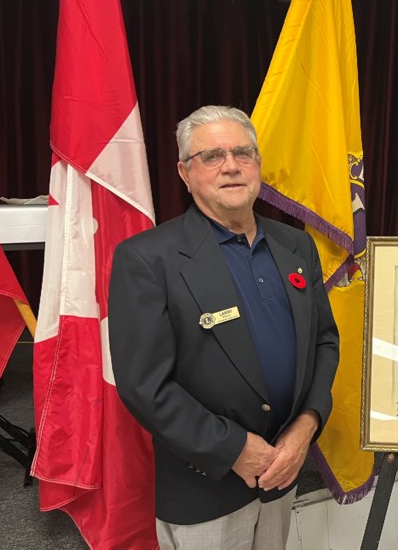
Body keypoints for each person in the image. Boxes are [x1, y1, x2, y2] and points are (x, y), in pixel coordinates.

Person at [108, 105, 340, 549]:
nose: (231, 165)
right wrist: (234, 448)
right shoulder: (146, 259)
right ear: (184, 172)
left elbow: (324, 342)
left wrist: (306, 425)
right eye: (212, 156)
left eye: (243, 153)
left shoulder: (296, 245)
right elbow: (144, 384)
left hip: (282, 470)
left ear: (258, 164)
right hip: (206, 484)